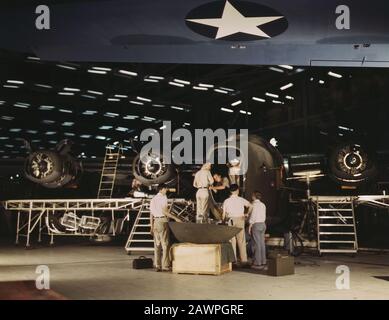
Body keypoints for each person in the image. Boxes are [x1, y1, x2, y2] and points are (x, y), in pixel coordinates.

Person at [150, 184, 181, 272]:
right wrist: (175, 218)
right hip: (162, 221)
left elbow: (151, 214)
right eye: (166, 189)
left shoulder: (153, 199)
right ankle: (165, 266)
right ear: (162, 189)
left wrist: (151, 226)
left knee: (157, 245)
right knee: (165, 244)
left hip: (156, 222)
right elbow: (164, 211)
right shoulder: (163, 197)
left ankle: (157, 265)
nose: (166, 190)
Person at [222, 184, 252, 266]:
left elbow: (224, 214)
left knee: (232, 241)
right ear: (237, 190)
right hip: (240, 219)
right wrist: (247, 214)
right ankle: (244, 260)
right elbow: (250, 205)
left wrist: (223, 221)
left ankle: (233, 260)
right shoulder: (241, 199)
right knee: (241, 240)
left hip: (230, 220)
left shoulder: (226, 201)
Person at [248, 191, 267, 269]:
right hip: (263, 224)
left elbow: (253, 216)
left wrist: (250, 225)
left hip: (256, 224)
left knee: (256, 244)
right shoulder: (263, 205)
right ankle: (263, 261)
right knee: (262, 243)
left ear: (253, 197)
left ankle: (257, 262)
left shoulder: (253, 205)